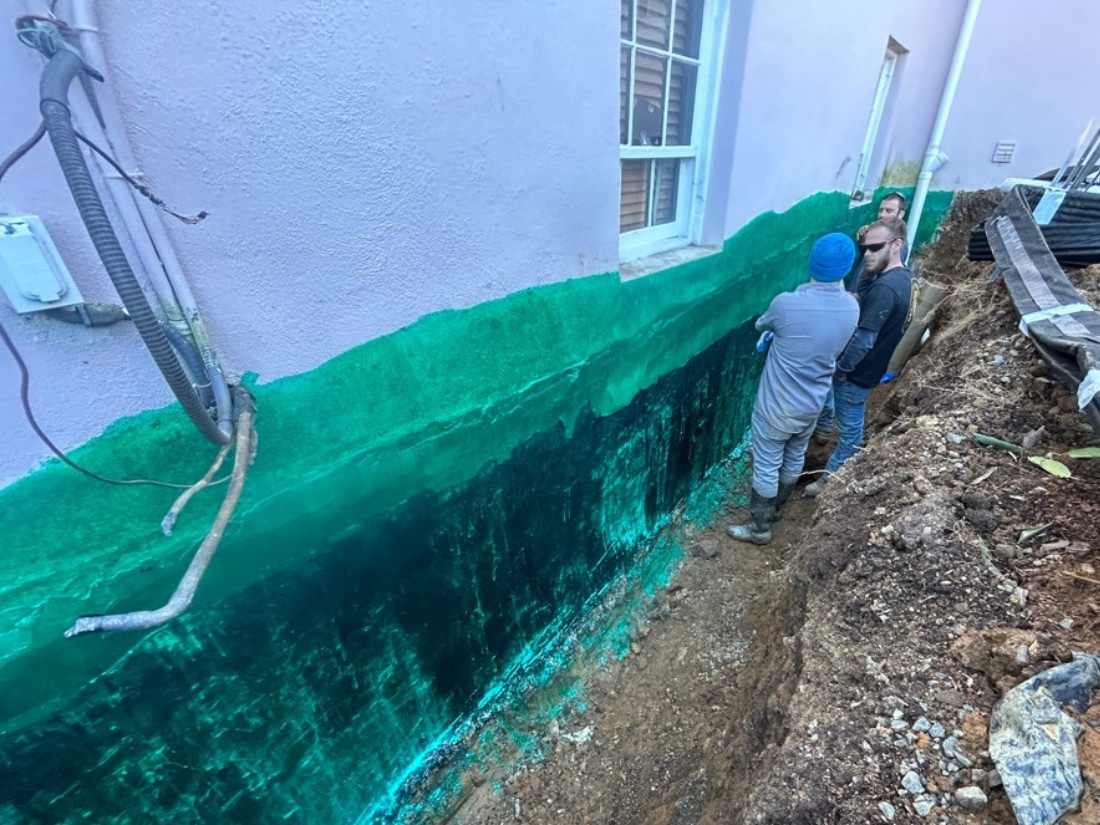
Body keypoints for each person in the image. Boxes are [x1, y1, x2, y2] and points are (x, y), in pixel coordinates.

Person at [727, 233, 860, 545]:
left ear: (812, 262)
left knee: (767, 463)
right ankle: (775, 510)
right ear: (845, 268)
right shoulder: (852, 308)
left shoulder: (786, 304)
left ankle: (759, 528)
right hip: (812, 404)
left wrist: (778, 335)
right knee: (795, 454)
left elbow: (762, 324)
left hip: (777, 407)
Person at [807, 217, 913, 496]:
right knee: (849, 419)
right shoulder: (904, 279)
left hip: (856, 375)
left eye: (875, 248)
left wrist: (841, 370)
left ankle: (829, 482)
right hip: (870, 371)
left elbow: (864, 340)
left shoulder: (885, 290)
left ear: (896, 244)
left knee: (852, 433)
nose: (867, 254)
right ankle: (823, 433)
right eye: (864, 248)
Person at [844, 192, 908, 292]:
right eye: (880, 210)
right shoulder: (881, 236)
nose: (882, 215)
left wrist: (860, 297)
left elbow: (878, 276)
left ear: (900, 214)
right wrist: (866, 238)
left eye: (889, 211)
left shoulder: (898, 246)